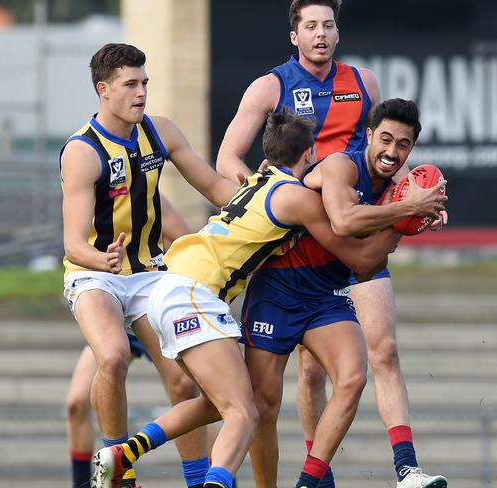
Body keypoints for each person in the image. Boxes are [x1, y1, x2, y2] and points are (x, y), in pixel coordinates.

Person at [91, 108, 401, 488]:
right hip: (195, 294)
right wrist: (406, 215)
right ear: (308, 156)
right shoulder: (297, 197)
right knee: (244, 414)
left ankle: (123, 453)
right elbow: (360, 258)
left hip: (167, 288)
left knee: (220, 403)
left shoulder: (257, 179)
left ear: (268, 158)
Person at [216, 2, 447, 487]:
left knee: (381, 349)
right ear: (294, 35)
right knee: (306, 374)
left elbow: (389, 152)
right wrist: (267, 191)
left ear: (338, 33)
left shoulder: (363, 83)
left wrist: (419, 199)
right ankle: (316, 475)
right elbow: (226, 160)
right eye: (311, 26)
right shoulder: (271, 86)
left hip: (363, 223)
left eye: (329, 25)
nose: (321, 34)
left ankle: (405, 466)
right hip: (302, 238)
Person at [60, 43, 240, 488]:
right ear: (104, 90)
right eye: (130, 85)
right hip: (93, 274)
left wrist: (272, 199)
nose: (141, 92)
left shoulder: (160, 132)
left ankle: (197, 480)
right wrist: (101, 258)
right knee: (114, 355)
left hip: (148, 275)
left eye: (144, 83)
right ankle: (118, 466)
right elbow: (71, 243)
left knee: (184, 382)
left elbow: (216, 188)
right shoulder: (82, 152)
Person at [65, 196, 203, 488]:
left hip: (147, 300)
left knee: (185, 387)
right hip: (108, 303)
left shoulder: (147, 193)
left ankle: (207, 477)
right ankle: (93, 481)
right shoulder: (88, 190)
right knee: (76, 402)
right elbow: (74, 246)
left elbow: (185, 240)